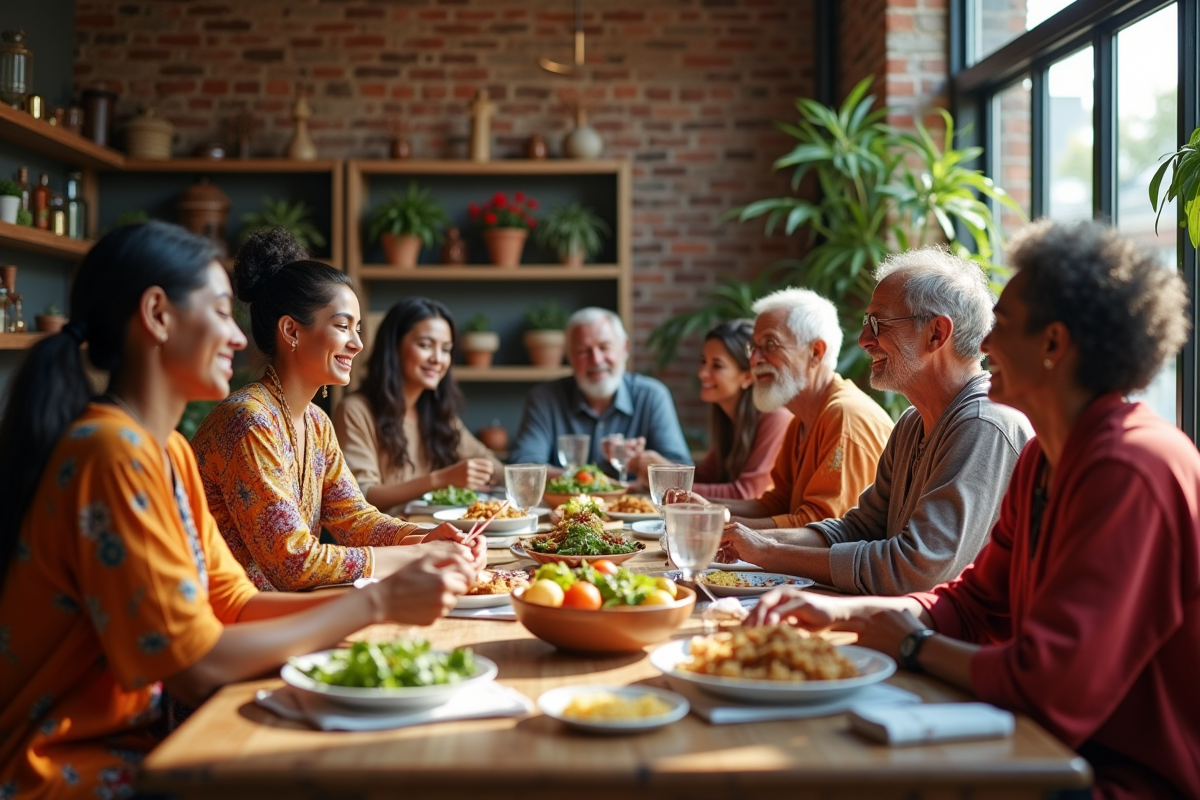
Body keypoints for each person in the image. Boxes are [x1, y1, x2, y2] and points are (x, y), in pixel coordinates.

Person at [0, 222, 475, 799]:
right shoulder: (114, 453)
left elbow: (233, 602)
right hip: (71, 769)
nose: (235, 336)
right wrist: (377, 599)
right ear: (157, 315)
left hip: (145, 738)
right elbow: (195, 665)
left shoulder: (166, 447)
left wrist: (409, 565)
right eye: (222, 312)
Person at [750, 221, 1199, 800]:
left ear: (1053, 346)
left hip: (1107, 777)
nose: (983, 346)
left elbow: (1051, 686)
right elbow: (975, 601)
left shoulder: (1132, 467)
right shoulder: (1043, 456)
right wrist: (846, 615)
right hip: (1035, 742)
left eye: (1001, 328)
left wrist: (910, 642)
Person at [721, 250, 1032, 594]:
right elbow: (858, 529)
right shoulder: (912, 423)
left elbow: (915, 569)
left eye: (878, 324)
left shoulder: (983, 422)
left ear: (936, 333)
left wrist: (770, 552)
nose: (864, 340)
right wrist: (745, 540)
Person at [192, 228, 484, 592]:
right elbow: (293, 562)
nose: (358, 343)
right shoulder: (249, 420)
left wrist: (427, 538)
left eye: (358, 329)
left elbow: (354, 519)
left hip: (289, 612)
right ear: (291, 331)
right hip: (233, 625)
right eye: (343, 326)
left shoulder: (316, 423)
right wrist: (417, 555)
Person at [717, 288, 894, 529]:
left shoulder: (845, 416)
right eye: (754, 347)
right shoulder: (801, 420)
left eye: (770, 344)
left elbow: (822, 528)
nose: (755, 359)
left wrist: (717, 527)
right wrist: (706, 510)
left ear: (815, 352)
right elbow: (778, 503)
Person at [333, 297, 504, 517]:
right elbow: (362, 495)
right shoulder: (355, 411)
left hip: (433, 533)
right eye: (425, 345)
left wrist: (547, 476)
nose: (437, 359)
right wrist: (440, 479)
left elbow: (488, 462)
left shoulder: (435, 411)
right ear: (394, 347)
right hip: (387, 543)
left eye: (446, 349)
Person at [508, 306, 691, 475]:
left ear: (624, 348)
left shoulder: (652, 396)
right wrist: (587, 479)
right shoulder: (544, 399)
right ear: (570, 357)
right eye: (583, 351)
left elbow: (681, 472)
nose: (596, 360)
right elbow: (524, 468)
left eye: (605, 347)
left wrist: (644, 462)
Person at [631, 319, 792, 498]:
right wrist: (659, 473)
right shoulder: (729, 420)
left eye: (717, 365)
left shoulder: (776, 416)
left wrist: (669, 481)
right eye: (703, 361)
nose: (702, 373)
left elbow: (747, 493)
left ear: (748, 376)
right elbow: (706, 476)